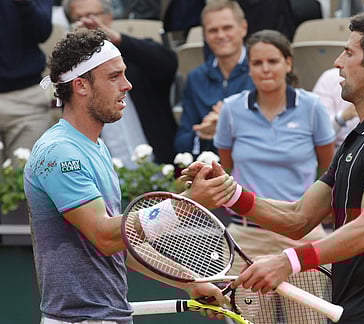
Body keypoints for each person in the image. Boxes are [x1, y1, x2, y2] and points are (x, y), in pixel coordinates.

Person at [183, 11, 364, 323]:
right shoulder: (357, 140)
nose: (337, 62)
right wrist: (229, 192)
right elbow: (299, 217)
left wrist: (288, 260)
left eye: (349, 52)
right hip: (348, 308)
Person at [25, 29, 234, 323]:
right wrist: (187, 203)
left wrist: (188, 281)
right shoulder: (59, 153)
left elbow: (124, 240)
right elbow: (106, 237)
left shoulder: (94, 147)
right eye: (114, 77)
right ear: (81, 86)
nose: (127, 85)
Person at [214, 29, 336, 275]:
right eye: (257, 63)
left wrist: (308, 212)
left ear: (288, 63)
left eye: (273, 61)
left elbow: (327, 168)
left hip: (302, 234)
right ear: (248, 68)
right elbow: (226, 169)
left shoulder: (312, 107)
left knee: (307, 315)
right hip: (246, 235)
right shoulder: (231, 109)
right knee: (245, 316)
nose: (265, 69)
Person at [63, 0, 178, 167]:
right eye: (78, 18)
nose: (87, 24)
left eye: (92, 16)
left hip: (160, 171)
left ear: (109, 17)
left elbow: (169, 64)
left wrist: (117, 39)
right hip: (110, 179)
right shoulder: (72, 76)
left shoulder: (135, 56)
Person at [174, 0, 255, 158]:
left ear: (243, 28)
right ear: (204, 35)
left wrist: (230, 123)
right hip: (211, 171)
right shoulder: (195, 78)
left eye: (227, 28)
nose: (221, 35)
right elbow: (181, 142)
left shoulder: (262, 70)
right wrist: (203, 133)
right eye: (213, 30)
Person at [0, 0, 53, 165]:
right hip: (25, 95)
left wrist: (23, 3)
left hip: (26, 100)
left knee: (27, 183)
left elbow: (42, 30)